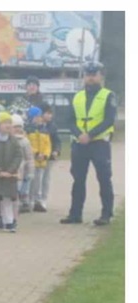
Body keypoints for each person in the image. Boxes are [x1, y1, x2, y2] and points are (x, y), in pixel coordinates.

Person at [62, 62, 116, 226]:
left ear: (101, 76)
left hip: (99, 143)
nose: (91, 77)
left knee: (104, 178)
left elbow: (109, 120)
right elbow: (70, 120)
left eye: (94, 74)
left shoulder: (108, 95)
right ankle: (75, 214)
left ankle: (106, 214)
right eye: (88, 74)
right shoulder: (77, 96)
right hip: (79, 144)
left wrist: (90, 135)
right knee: (78, 179)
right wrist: (79, 135)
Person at [0, 112, 24, 233]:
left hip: (9, 176)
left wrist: (10, 171)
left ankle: (8, 222)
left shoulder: (14, 141)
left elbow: (18, 156)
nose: (8, 126)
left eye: (9, 123)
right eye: (4, 123)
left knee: (7, 199)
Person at [24, 106, 51, 214]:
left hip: (41, 161)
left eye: (40, 116)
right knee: (29, 181)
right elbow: (27, 144)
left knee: (39, 181)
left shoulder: (45, 129)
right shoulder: (27, 130)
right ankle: (26, 201)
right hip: (31, 161)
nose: (40, 118)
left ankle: (37, 201)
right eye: (37, 116)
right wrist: (36, 153)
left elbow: (48, 144)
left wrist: (45, 155)